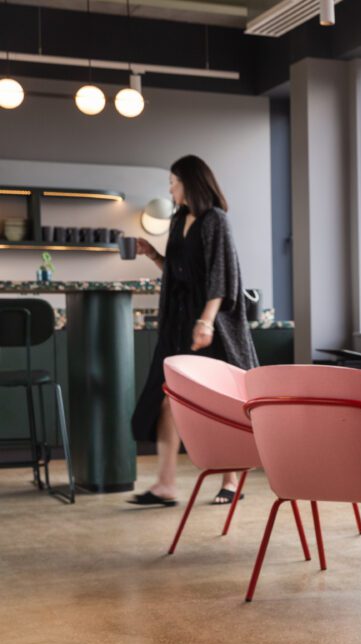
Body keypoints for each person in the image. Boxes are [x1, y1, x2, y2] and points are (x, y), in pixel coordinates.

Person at [128, 155, 258, 507]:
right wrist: (153, 255)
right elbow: (179, 271)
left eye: (174, 181)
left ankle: (232, 479)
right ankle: (165, 483)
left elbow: (220, 274)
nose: (170, 188)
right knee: (166, 399)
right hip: (177, 323)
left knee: (221, 400)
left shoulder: (215, 220)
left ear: (190, 182)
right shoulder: (178, 220)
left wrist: (206, 321)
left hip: (210, 324)